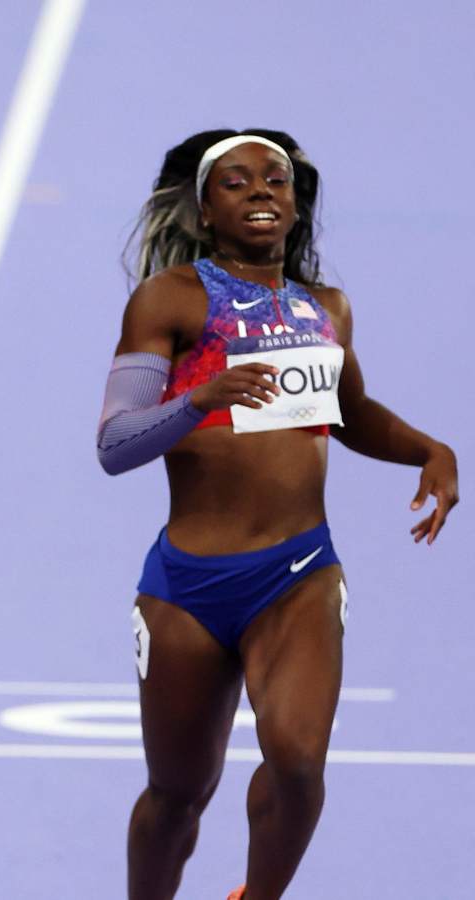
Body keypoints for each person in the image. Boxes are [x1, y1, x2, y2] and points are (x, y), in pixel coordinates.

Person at [97, 129, 458, 899]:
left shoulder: (327, 310)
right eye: (236, 182)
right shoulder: (172, 301)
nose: (261, 190)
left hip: (297, 574)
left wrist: (430, 449)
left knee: (297, 764)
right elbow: (116, 443)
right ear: (201, 212)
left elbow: (350, 412)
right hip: (186, 588)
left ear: (296, 206)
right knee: (176, 799)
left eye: (276, 179)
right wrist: (199, 398)